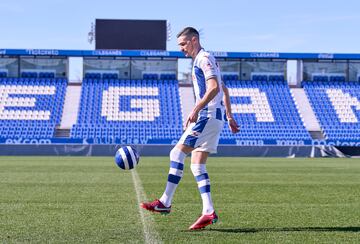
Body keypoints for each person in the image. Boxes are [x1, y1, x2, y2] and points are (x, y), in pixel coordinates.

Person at [141, 27, 239, 230]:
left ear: (194, 40)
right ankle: (208, 211)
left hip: (207, 116)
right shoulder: (206, 60)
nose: (182, 49)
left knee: (176, 153)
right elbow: (224, 89)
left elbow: (214, 89)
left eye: (183, 44)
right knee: (197, 165)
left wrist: (196, 108)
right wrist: (229, 116)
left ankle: (165, 202)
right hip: (215, 117)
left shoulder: (204, 58)